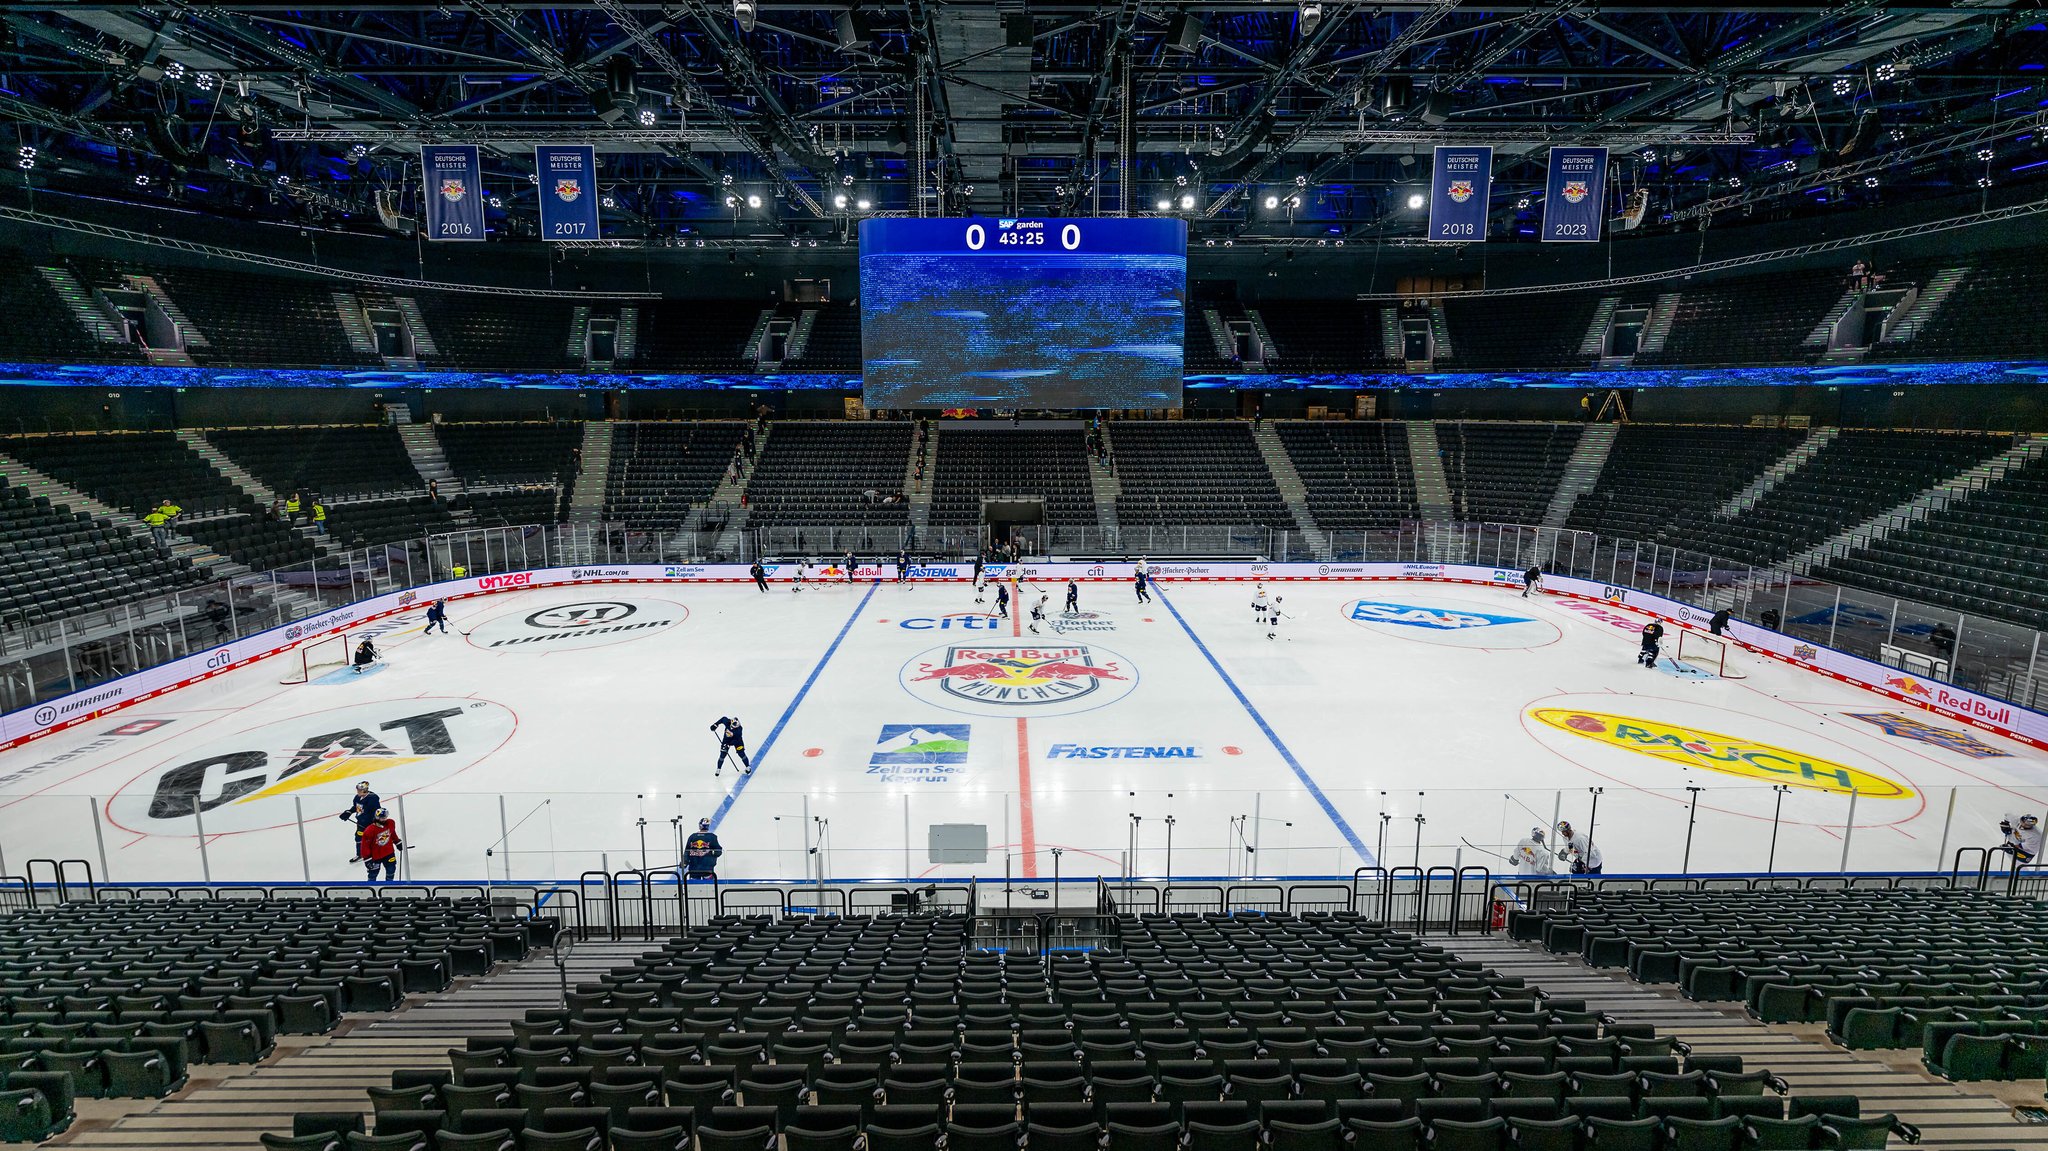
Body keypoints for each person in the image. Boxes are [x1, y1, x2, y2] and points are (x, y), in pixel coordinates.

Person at [353, 808, 401, 882]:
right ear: (377, 817)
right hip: (375, 856)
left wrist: (397, 842)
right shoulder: (369, 830)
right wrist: (367, 859)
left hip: (389, 853)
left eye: (385, 817)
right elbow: (365, 846)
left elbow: (392, 833)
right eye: (382, 818)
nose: (384, 819)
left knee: (391, 870)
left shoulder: (390, 823)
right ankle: (371, 888)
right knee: (373, 874)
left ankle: (389, 887)